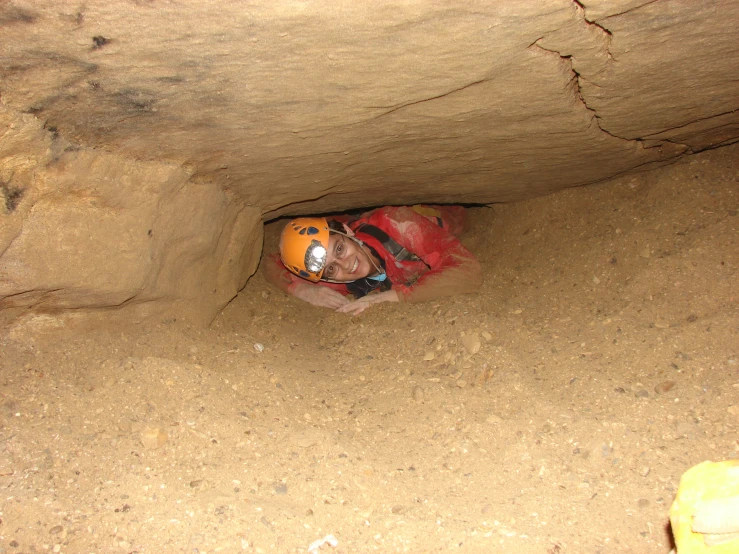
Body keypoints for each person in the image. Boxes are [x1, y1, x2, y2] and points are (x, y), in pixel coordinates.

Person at [263, 205, 482, 315]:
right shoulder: (324, 275)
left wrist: (392, 297)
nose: (346, 264)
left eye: (340, 249)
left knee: (455, 221)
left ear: (347, 232)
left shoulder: (400, 225)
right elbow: (271, 263)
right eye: (331, 269)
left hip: (426, 218)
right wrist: (304, 291)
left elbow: (467, 270)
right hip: (352, 224)